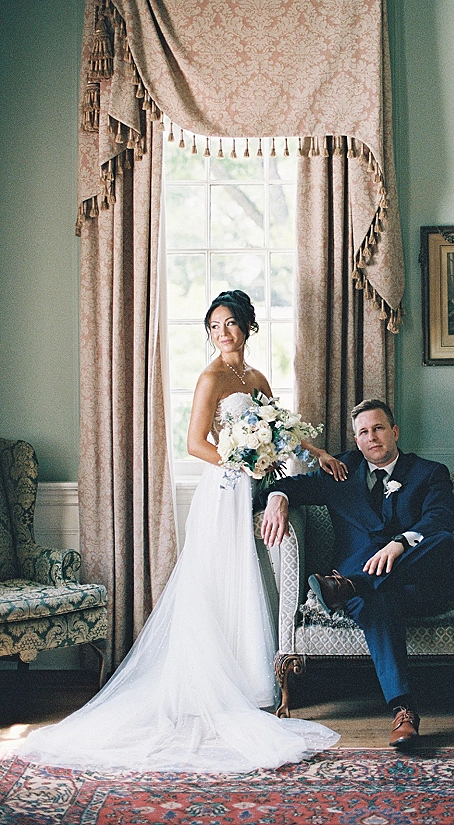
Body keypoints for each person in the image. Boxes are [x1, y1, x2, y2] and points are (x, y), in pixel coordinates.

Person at [18, 290, 341, 773]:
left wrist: (317, 454)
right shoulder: (210, 377)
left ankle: (248, 679)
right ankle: (204, 682)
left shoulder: (256, 377)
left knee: (245, 578)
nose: (222, 332)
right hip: (223, 490)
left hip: (250, 483)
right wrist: (243, 462)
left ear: (248, 326)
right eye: (213, 326)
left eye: (230, 323)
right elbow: (194, 444)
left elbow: (282, 431)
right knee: (213, 578)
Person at [260, 398, 454, 751]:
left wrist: (400, 544)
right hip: (374, 595)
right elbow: (285, 487)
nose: (372, 437)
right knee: (378, 600)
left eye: (379, 428)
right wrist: (277, 497)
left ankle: (350, 584)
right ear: (356, 440)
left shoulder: (429, 472)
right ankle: (404, 712)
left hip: (421, 584)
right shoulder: (341, 472)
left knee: (444, 541)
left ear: (395, 432)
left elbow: (441, 518)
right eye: (364, 432)